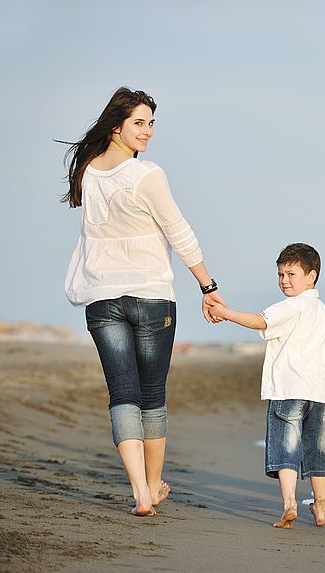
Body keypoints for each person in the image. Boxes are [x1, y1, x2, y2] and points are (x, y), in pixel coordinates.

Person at [61, 87, 226, 517]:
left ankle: (140, 491)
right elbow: (179, 231)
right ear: (116, 125)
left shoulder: (88, 172)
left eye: (151, 123)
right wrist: (208, 288)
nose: (148, 131)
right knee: (150, 394)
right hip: (151, 296)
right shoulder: (147, 174)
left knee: (123, 393)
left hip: (102, 298)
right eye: (139, 123)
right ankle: (151, 486)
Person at [205, 244, 325, 529]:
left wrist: (226, 313)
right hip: (320, 391)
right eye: (280, 274)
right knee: (318, 447)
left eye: (291, 273)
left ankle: (290, 504)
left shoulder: (290, 306)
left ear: (311, 276)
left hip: (288, 388)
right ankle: (321, 505)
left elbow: (259, 321)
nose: (284, 280)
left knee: (285, 448)